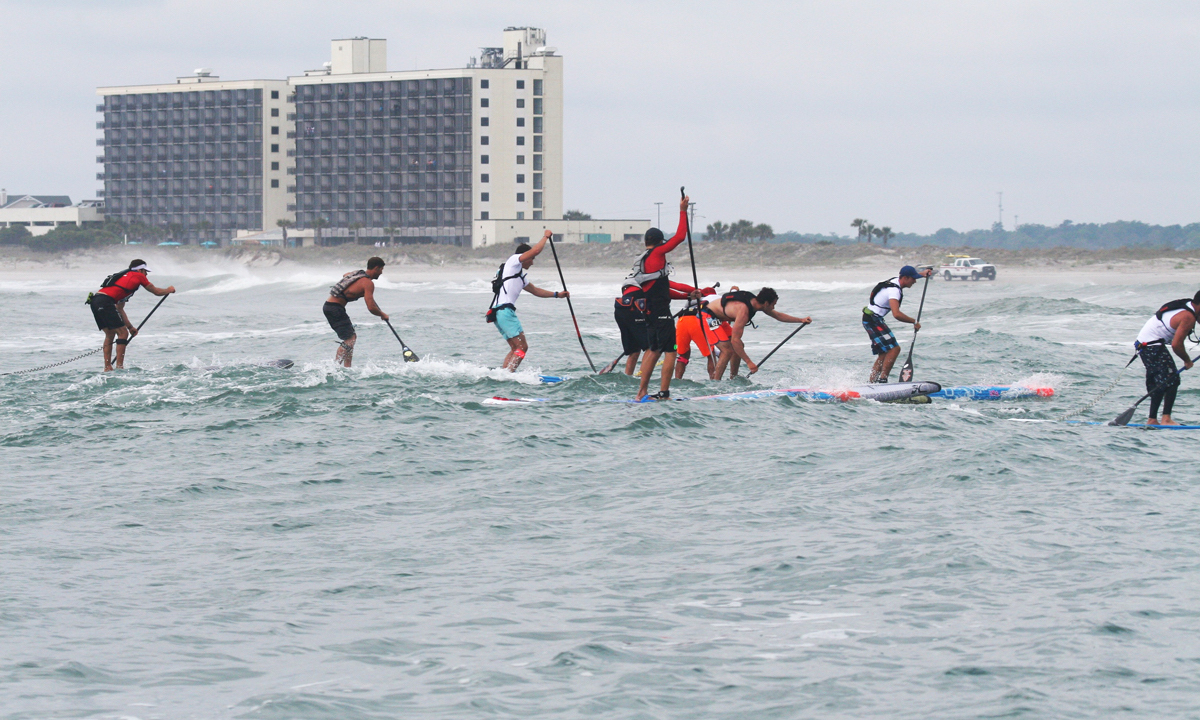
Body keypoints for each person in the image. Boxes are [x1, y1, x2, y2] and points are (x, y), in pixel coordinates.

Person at [632, 195, 691, 400]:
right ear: (658, 243)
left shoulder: (645, 260)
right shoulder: (657, 253)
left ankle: (642, 392)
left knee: (654, 349)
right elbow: (681, 237)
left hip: (650, 309)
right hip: (659, 312)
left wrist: (689, 294)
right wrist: (682, 210)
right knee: (671, 350)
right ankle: (664, 393)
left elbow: (660, 291)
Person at [488, 229, 570, 371]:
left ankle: (504, 374)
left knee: (515, 347)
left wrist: (557, 294)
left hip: (498, 313)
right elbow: (536, 250)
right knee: (522, 347)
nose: (532, 263)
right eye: (531, 259)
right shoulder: (513, 262)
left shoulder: (518, 275)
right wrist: (545, 236)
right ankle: (509, 374)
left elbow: (536, 291)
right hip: (504, 311)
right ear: (524, 256)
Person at [88, 259, 175, 372]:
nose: (146, 274)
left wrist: (130, 327)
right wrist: (169, 290)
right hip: (105, 301)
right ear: (139, 270)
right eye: (145, 271)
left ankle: (107, 367)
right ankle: (119, 368)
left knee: (110, 334)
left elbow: (119, 309)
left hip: (95, 301)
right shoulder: (138, 275)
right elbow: (156, 292)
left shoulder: (124, 280)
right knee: (122, 333)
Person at [705, 287, 811, 378]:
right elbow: (735, 340)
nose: (773, 308)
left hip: (719, 318)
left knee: (739, 346)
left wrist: (801, 320)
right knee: (728, 350)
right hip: (707, 316)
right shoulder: (744, 311)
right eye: (773, 304)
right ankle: (716, 383)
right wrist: (749, 362)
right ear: (766, 303)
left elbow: (778, 315)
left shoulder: (755, 302)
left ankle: (734, 378)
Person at [1132, 291, 1200, 425]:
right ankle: (1166, 419)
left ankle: (1152, 419)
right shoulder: (1187, 316)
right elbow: (1176, 345)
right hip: (1151, 345)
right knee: (1172, 379)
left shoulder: (1188, 306)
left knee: (1161, 382)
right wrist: (1187, 360)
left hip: (1145, 344)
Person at [862, 265, 933, 383]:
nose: (915, 281)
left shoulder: (896, 280)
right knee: (894, 349)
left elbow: (909, 275)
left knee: (884, 353)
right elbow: (896, 314)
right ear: (905, 278)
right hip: (873, 320)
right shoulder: (894, 291)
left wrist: (922, 274)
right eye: (913, 279)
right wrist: (914, 322)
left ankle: (872, 383)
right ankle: (883, 380)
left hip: (870, 318)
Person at [323, 257, 389, 368]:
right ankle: (334, 367)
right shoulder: (368, 283)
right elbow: (371, 307)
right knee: (350, 339)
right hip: (335, 308)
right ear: (376, 268)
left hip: (330, 306)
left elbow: (345, 275)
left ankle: (347, 367)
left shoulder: (357, 273)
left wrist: (356, 289)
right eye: (381, 269)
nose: (381, 272)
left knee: (351, 337)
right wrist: (382, 314)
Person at [674, 286, 724, 380]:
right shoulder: (714, 300)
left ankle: (677, 379)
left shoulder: (691, 300)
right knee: (710, 354)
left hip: (682, 321)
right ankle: (714, 380)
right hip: (697, 321)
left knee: (683, 355)